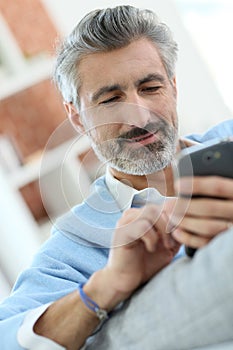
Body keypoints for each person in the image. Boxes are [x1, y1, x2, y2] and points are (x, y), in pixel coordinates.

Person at [0, 5, 233, 350]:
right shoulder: (75, 247)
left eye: (151, 88)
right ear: (76, 116)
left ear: (173, 87)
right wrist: (105, 288)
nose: (139, 117)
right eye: (110, 99)